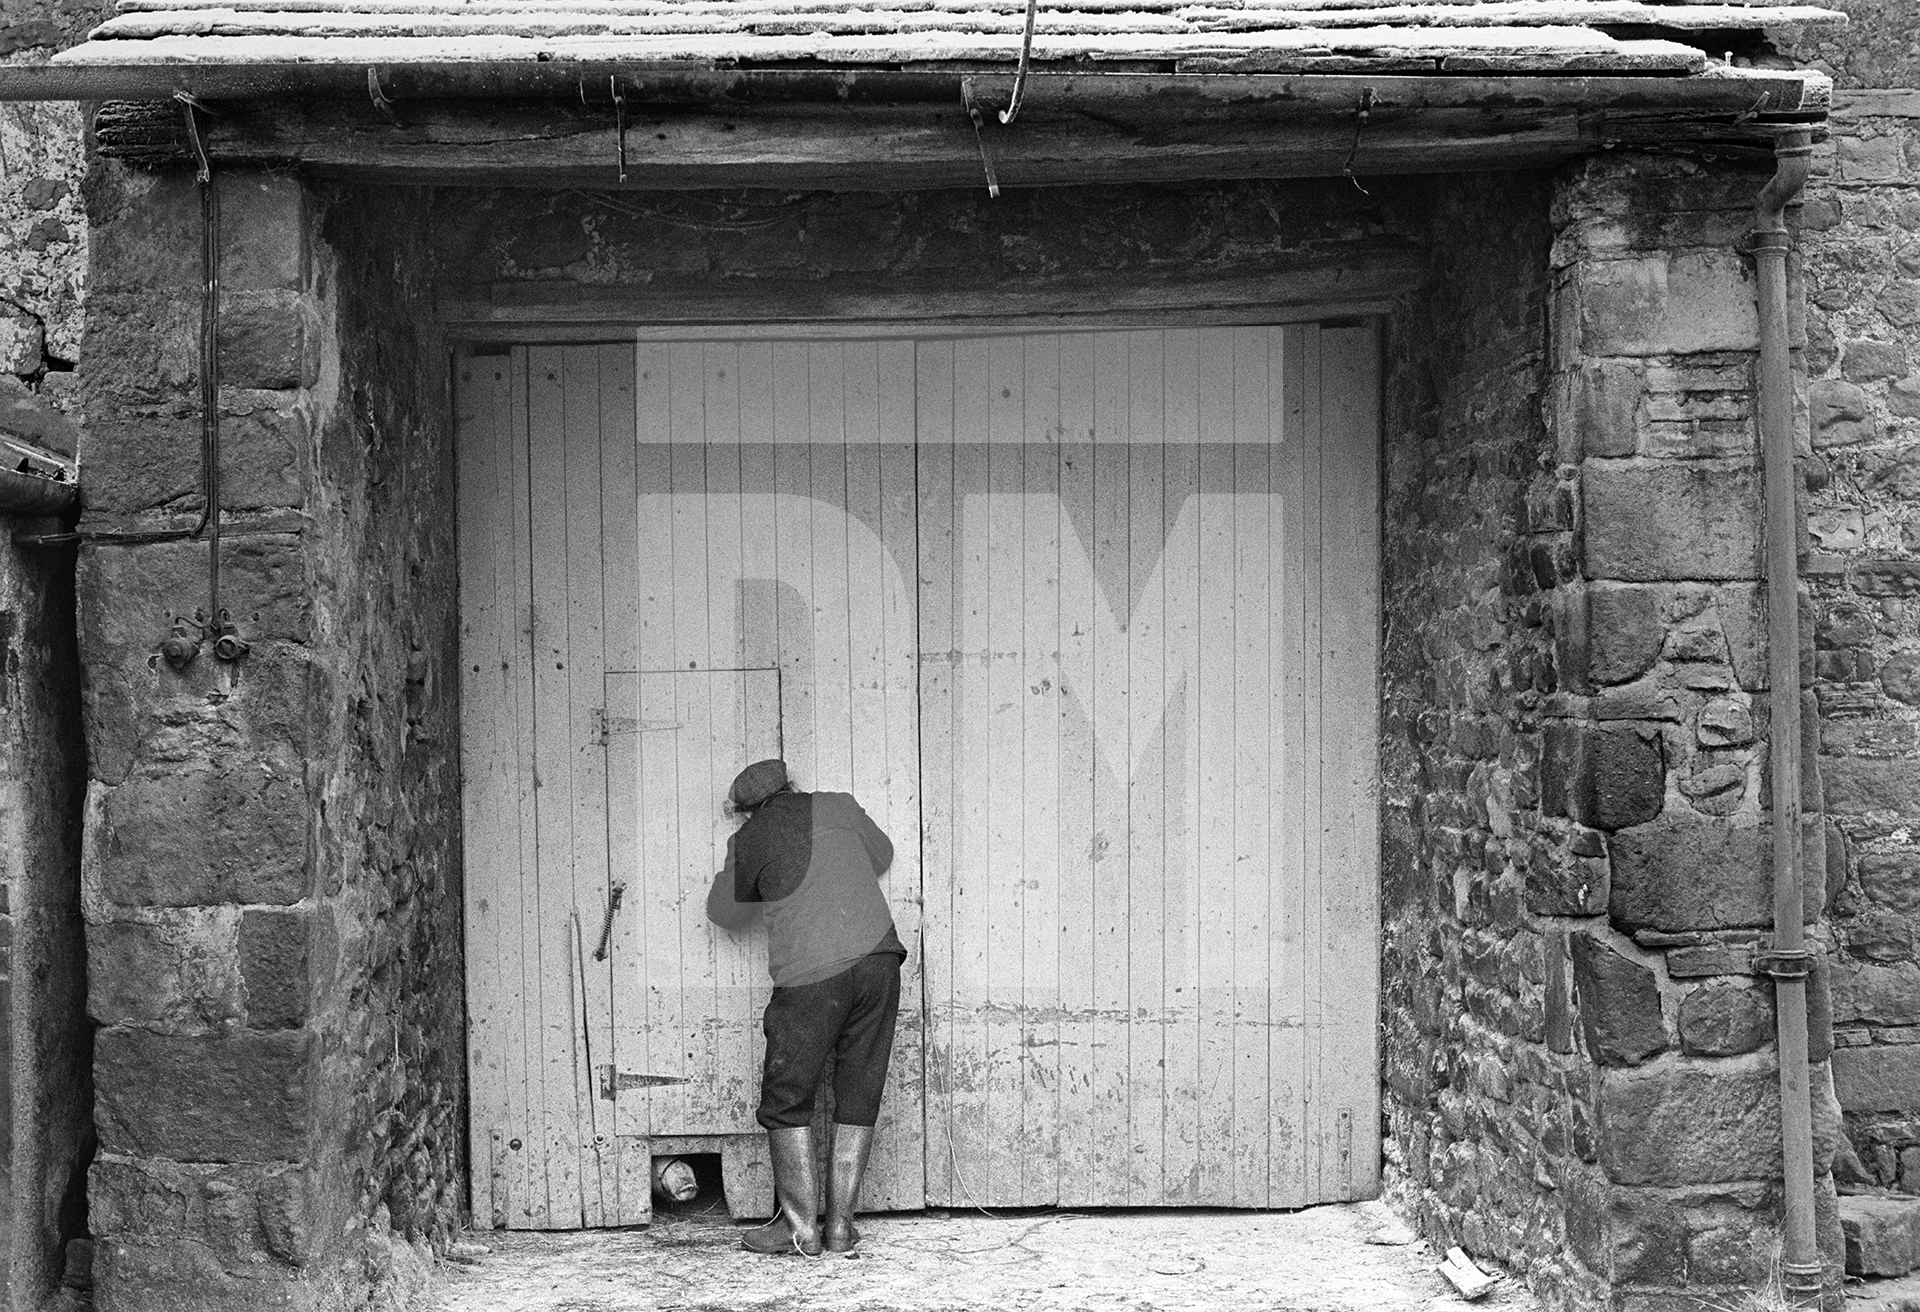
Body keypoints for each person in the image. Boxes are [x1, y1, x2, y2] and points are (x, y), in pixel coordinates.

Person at [706, 758, 905, 1256]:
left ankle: (799, 1230)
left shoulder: (748, 839)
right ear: (792, 785)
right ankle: (840, 1228)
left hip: (812, 975)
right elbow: (881, 854)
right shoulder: (838, 804)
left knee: (786, 1097)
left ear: (745, 812)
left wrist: (753, 864)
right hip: (880, 961)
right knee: (858, 1090)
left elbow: (724, 914)